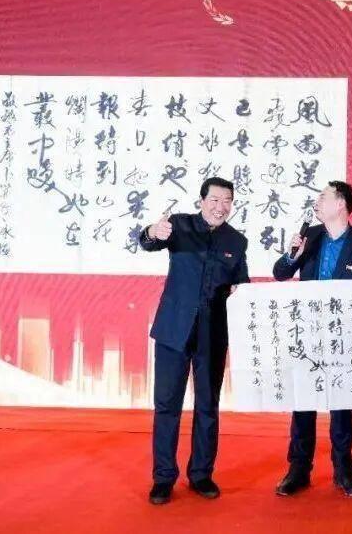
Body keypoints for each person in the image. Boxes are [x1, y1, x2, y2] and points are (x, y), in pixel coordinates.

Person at [140, 177, 249, 505]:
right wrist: (152, 232)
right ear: (201, 201)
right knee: (167, 406)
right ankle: (163, 478)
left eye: (227, 201)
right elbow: (149, 242)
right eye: (214, 200)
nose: (221, 207)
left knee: (207, 406)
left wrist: (240, 290)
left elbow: (241, 283)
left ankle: (201, 474)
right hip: (174, 330)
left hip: (212, 335)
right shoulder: (178, 226)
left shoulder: (237, 241)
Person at [271, 180, 352, 498]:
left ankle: (344, 471)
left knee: (341, 406)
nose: (317, 202)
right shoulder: (311, 237)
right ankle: (298, 470)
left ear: (341, 204)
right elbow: (280, 273)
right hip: (307, 333)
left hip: (343, 337)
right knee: (303, 404)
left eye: (323, 197)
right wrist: (292, 254)